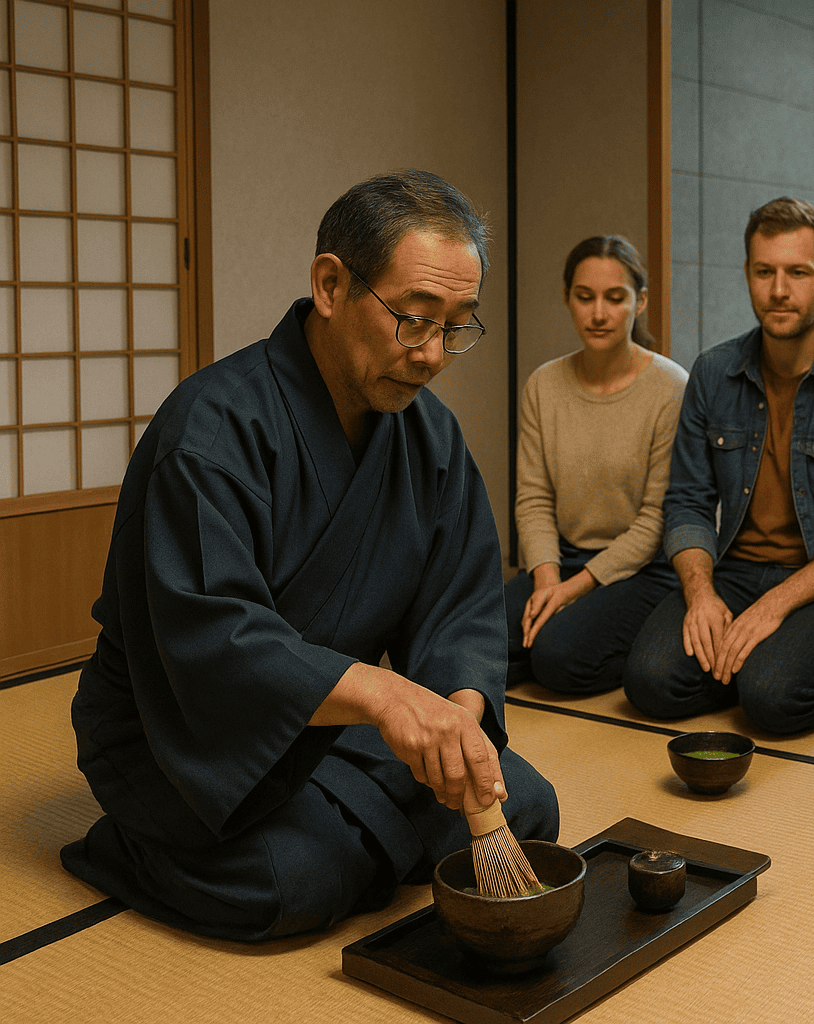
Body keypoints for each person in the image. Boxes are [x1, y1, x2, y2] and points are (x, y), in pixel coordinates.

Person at [62, 171, 559, 940]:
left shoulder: (429, 438)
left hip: (329, 720)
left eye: (458, 326)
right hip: (182, 732)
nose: (432, 356)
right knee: (292, 882)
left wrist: (457, 711)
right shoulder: (212, 431)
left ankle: (349, 824)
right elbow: (213, 637)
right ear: (331, 284)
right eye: (415, 321)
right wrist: (388, 700)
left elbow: (460, 600)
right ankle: (128, 846)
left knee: (524, 805)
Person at [623, 197, 814, 734]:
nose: (779, 290)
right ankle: (758, 663)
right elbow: (686, 500)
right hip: (735, 572)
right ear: (748, 274)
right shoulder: (713, 373)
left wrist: (775, 606)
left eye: (797, 273)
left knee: (773, 697)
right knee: (650, 682)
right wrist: (701, 593)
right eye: (765, 272)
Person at [505, 236, 688, 694]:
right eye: (584, 298)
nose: (598, 314)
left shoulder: (670, 388)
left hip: (645, 569)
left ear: (640, 301)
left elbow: (655, 521)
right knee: (468, 641)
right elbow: (533, 497)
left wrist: (571, 591)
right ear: (568, 298)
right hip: (563, 559)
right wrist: (547, 579)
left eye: (615, 298)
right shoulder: (543, 385)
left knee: (558, 658)